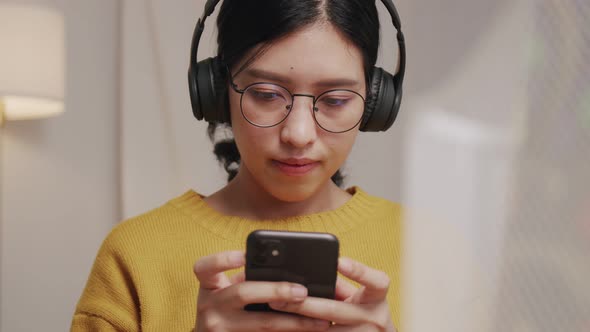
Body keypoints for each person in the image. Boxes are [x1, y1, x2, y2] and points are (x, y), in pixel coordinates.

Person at [71, 0, 404, 331]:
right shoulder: (134, 253)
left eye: (335, 100)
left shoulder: (433, 250)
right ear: (216, 92)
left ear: (376, 102)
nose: (298, 135)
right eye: (266, 94)